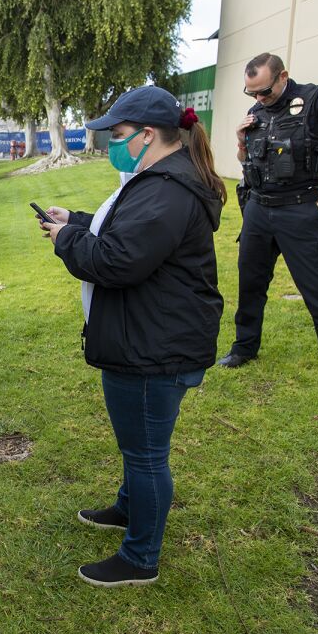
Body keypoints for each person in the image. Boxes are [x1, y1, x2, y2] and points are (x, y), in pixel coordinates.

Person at [37, 86, 225, 587]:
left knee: (145, 455)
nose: (111, 146)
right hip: (149, 336)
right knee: (138, 447)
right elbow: (125, 233)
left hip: (153, 349)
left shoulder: (166, 189)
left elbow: (116, 261)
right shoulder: (158, 177)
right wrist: (75, 221)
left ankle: (141, 558)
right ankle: (128, 507)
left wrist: (67, 241)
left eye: (117, 136)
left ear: (147, 135)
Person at [218, 53, 318, 408]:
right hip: (259, 209)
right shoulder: (256, 114)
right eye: (251, 94)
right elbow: (249, 164)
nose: (258, 99)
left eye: (264, 91)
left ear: (283, 76)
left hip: (302, 210)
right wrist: (241, 141)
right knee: (250, 284)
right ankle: (244, 348)